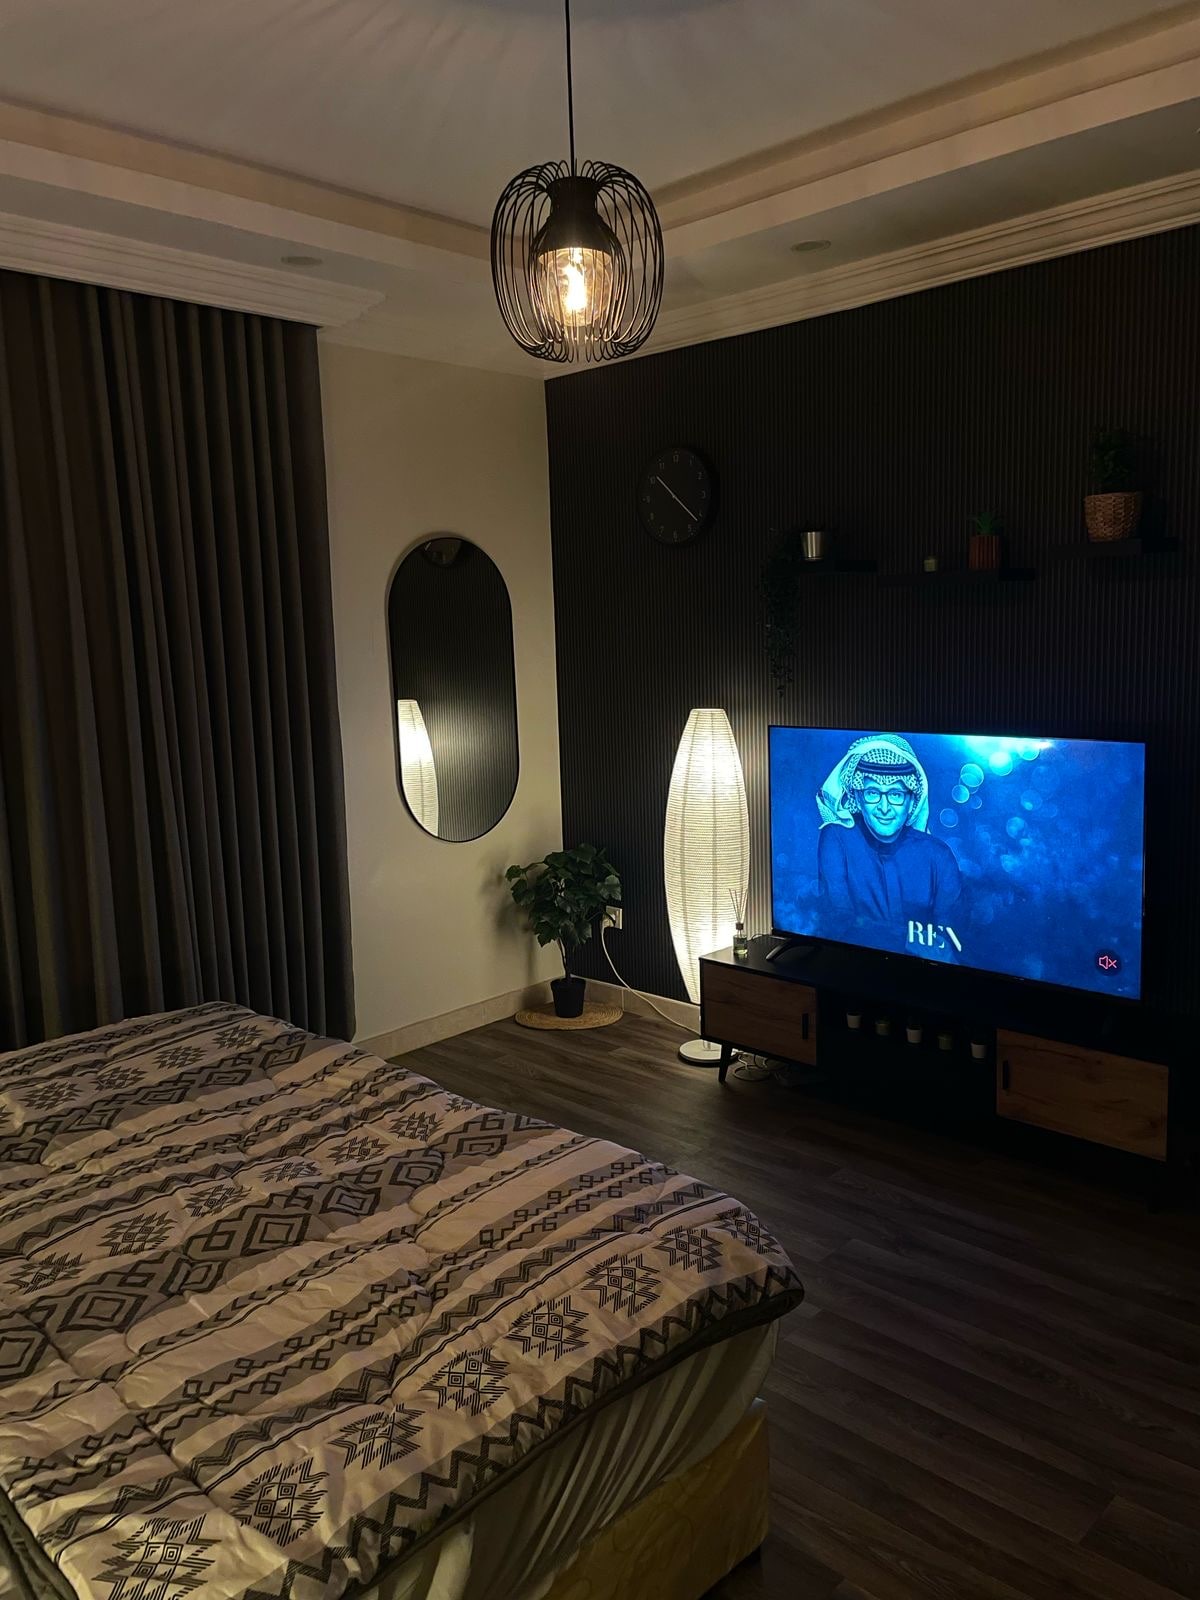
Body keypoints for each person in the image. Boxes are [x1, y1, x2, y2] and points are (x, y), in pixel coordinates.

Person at [816, 734, 963, 955]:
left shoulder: (938, 856)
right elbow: (838, 921)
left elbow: (950, 940)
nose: (884, 808)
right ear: (857, 797)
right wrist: (909, 942)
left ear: (912, 801)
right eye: (872, 793)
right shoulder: (837, 838)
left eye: (896, 794)